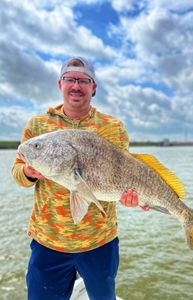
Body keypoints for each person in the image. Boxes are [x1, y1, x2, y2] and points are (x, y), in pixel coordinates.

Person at [12, 56, 149, 300]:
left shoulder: (113, 126)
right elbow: (18, 173)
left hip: (100, 241)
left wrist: (133, 198)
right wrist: (28, 172)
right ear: (60, 84)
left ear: (93, 87)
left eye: (84, 80)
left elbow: (126, 172)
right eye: (70, 79)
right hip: (49, 242)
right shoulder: (37, 126)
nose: (76, 85)